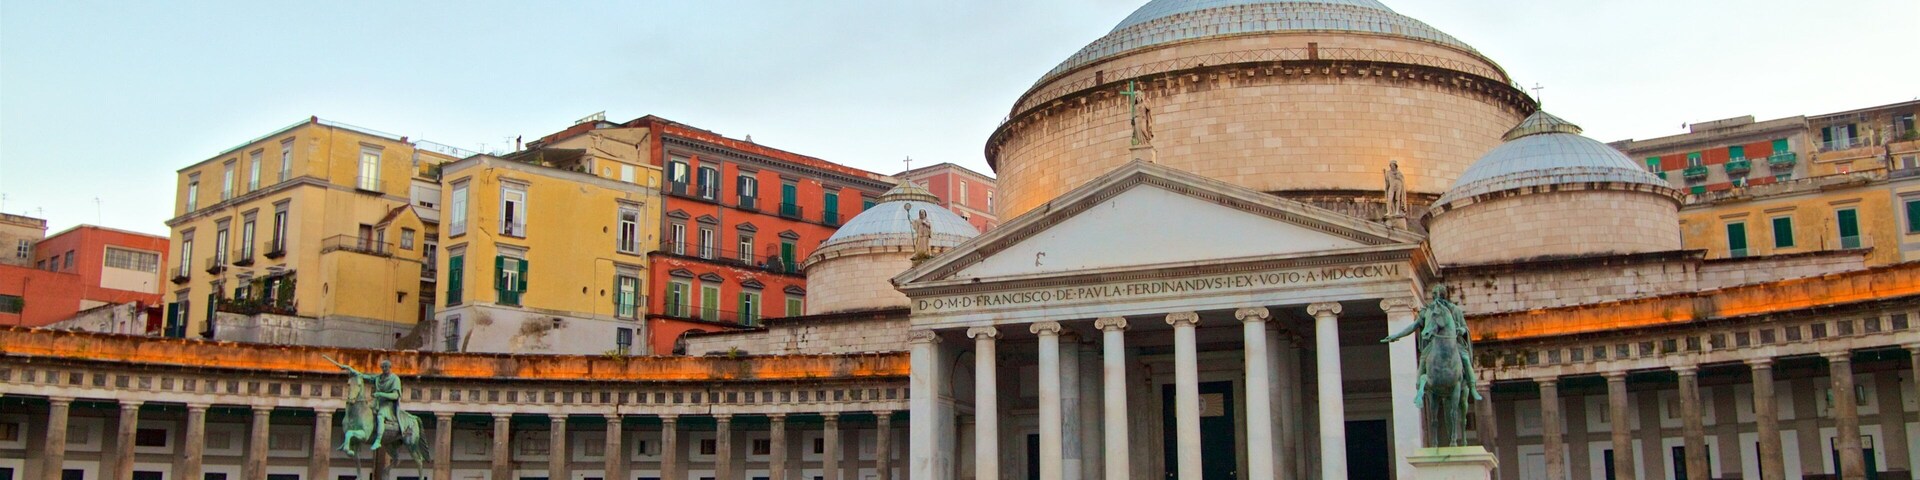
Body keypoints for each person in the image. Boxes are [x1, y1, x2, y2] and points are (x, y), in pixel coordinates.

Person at [331, 358, 404, 450]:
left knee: (380, 416)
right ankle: (350, 440)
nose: (384, 369)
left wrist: (380, 394)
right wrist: (349, 368)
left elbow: (396, 395)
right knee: (365, 413)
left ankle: (378, 440)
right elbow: (363, 376)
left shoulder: (395, 379)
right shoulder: (379, 377)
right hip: (376, 402)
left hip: (388, 405)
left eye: (386, 367)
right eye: (383, 367)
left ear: (390, 367)